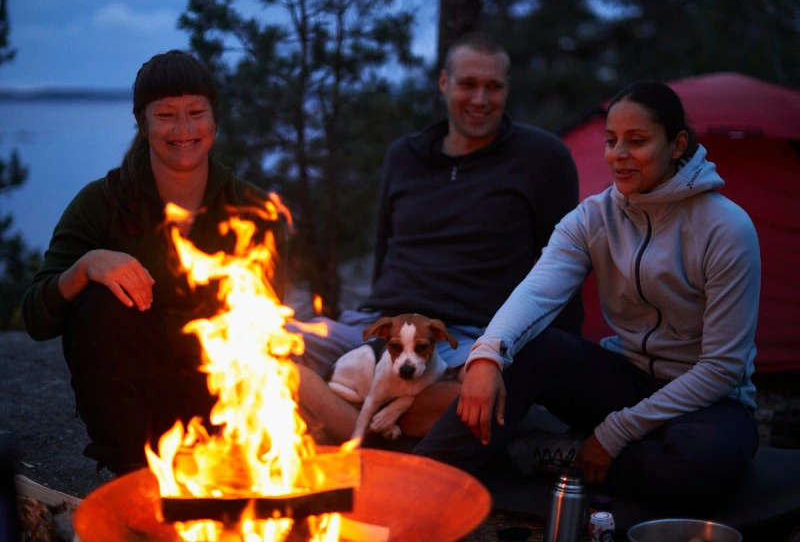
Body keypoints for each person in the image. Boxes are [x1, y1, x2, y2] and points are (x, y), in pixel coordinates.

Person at [414, 81, 761, 510]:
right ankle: (416, 478)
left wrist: (612, 434)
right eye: (611, 141)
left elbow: (722, 368)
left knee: (701, 466)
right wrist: (486, 357)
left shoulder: (726, 228)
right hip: (626, 379)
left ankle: (570, 454)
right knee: (529, 350)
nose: (618, 154)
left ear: (677, 145)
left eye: (636, 141)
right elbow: (537, 292)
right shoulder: (595, 217)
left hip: (707, 400)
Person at [293, 31, 583, 443]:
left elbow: (563, 267)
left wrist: (565, 357)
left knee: (484, 397)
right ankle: (378, 423)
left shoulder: (541, 158)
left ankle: (349, 417)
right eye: (468, 84)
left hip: (470, 336)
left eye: (493, 87)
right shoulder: (405, 157)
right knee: (258, 349)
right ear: (444, 83)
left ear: (507, 89)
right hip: (384, 324)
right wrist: (377, 324)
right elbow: (384, 252)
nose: (480, 99)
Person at [21, 50, 281, 473]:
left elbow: (266, 330)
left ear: (215, 119)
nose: (183, 129)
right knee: (102, 299)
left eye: (196, 112)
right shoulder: (101, 204)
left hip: (222, 412)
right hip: (131, 421)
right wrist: (87, 266)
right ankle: (136, 475)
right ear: (143, 123)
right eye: (166, 115)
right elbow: (36, 318)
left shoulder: (251, 209)